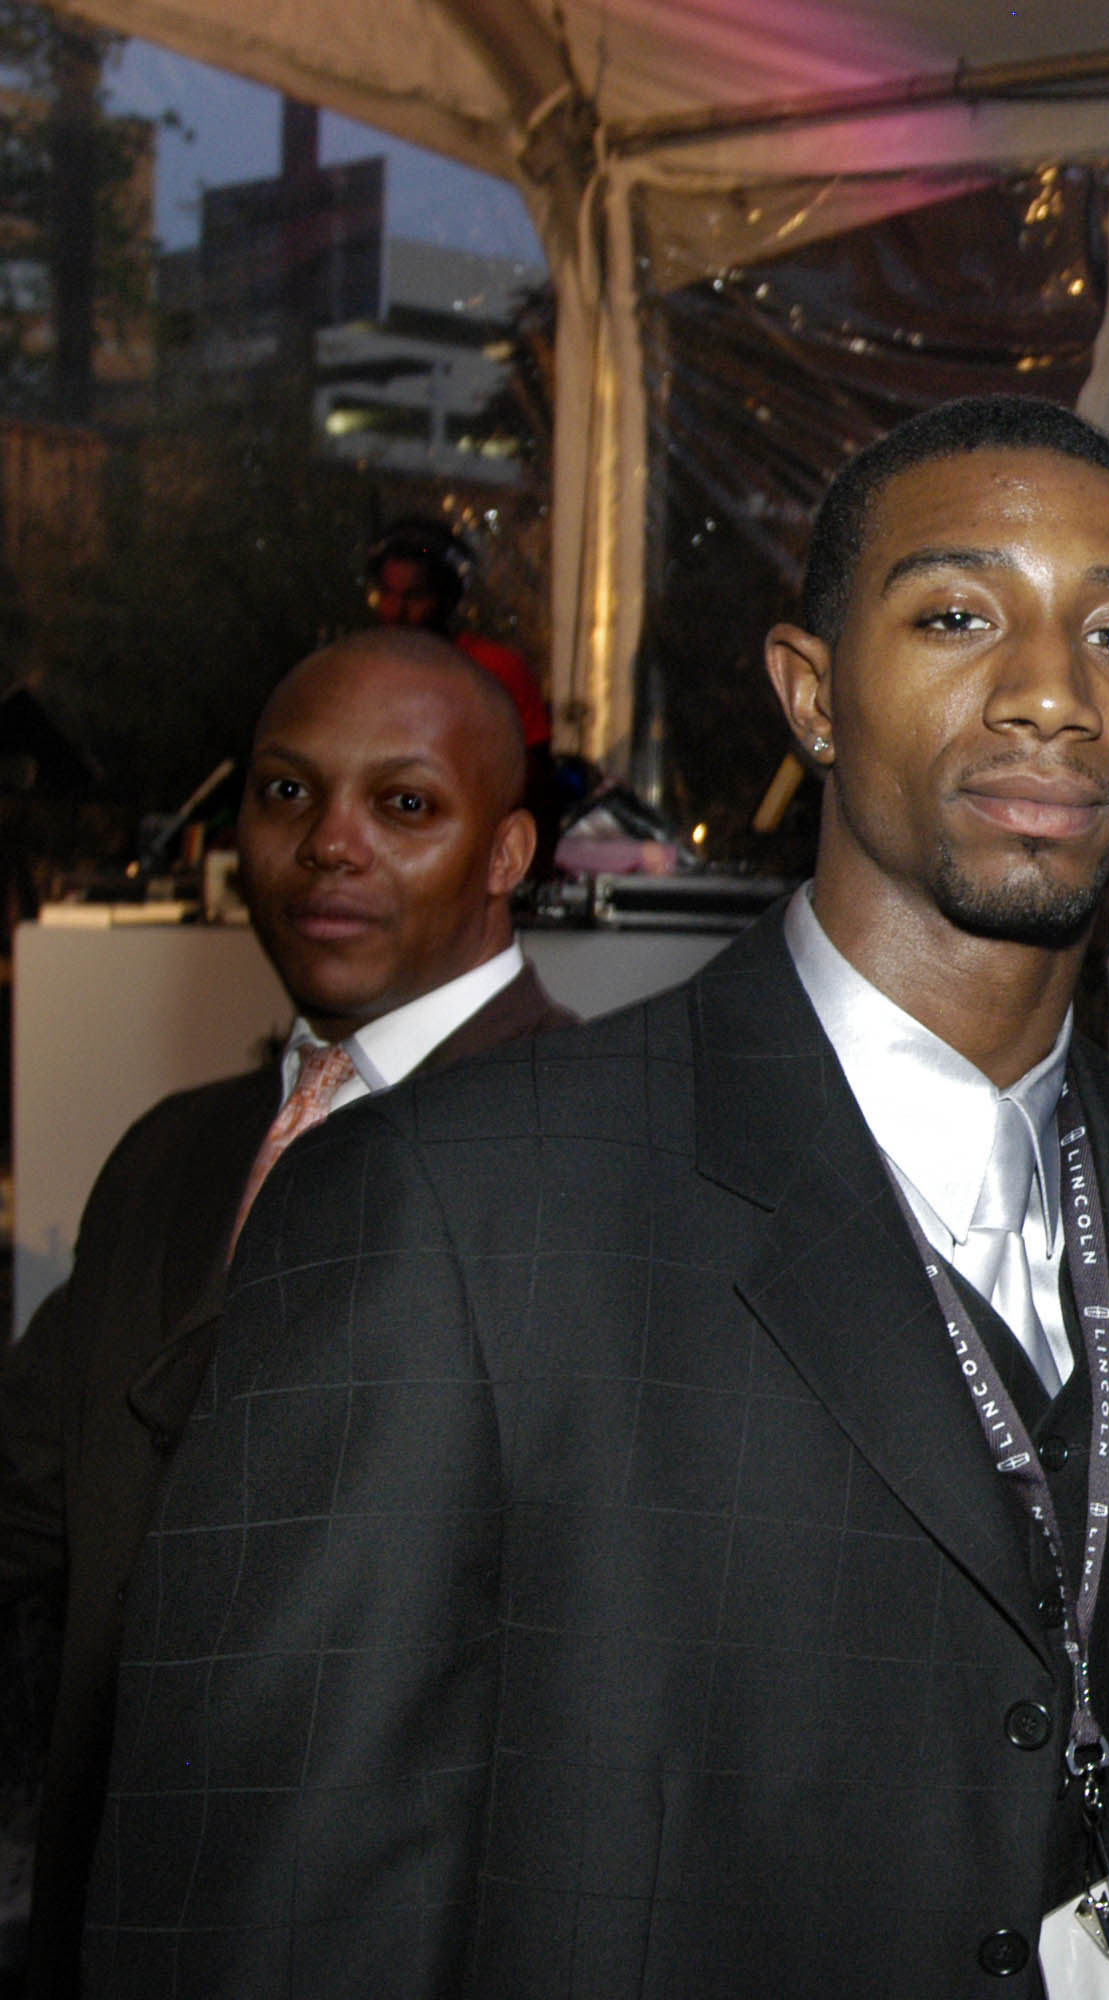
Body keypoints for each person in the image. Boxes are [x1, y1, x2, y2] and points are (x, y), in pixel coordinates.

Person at [86, 395, 1109, 1999]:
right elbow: (257, 1923)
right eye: (957, 615)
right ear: (809, 694)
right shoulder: (450, 1213)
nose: (1050, 692)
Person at [0, 628, 567, 1999]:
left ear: (508, 856)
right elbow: (34, 1531)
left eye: (407, 804)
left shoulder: (610, 1173)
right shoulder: (172, 1157)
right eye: (286, 792)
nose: (328, 844)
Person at [365, 517, 554, 754]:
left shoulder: (497, 670)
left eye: (415, 596)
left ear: (447, 599)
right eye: (387, 593)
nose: (396, 609)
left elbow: (534, 775)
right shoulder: (363, 674)